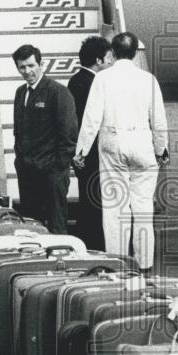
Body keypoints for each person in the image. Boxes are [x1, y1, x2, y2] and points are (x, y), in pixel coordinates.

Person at [73, 32, 168, 273]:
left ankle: (118, 261)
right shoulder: (149, 80)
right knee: (143, 208)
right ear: (135, 52)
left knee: (116, 209)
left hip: (113, 144)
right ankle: (144, 263)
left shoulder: (103, 79)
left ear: (113, 53)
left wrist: (81, 151)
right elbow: (158, 120)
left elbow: (91, 119)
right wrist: (161, 149)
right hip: (142, 145)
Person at [12, 44, 78, 234]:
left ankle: (60, 261)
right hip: (27, 171)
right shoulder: (20, 93)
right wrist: (20, 160)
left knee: (57, 225)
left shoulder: (58, 92)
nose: (27, 71)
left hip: (51, 173)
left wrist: (58, 166)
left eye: (31, 65)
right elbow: (19, 131)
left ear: (41, 64)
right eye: (22, 67)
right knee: (32, 225)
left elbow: (69, 133)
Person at [66, 35, 113, 250]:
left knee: (88, 202)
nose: (111, 62)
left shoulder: (74, 81)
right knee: (99, 204)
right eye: (108, 57)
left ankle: (89, 244)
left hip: (83, 154)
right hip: (95, 154)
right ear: (99, 60)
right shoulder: (96, 83)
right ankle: (99, 245)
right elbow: (92, 121)